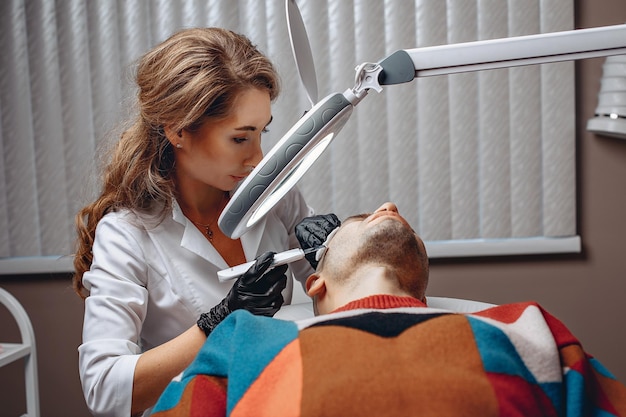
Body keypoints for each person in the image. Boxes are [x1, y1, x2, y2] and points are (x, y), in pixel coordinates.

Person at [71, 27, 339, 417]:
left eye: (262, 133)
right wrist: (217, 324)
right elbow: (104, 387)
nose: (258, 158)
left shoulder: (274, 196)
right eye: (240, 138)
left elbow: (339, 299)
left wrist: (338, 253)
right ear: (178, 128)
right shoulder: (127, 233)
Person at [150, 202, 626, 417]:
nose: (390, 204)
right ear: (313, 282)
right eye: (364, 217)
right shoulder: (242, 341)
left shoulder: (528, 326)